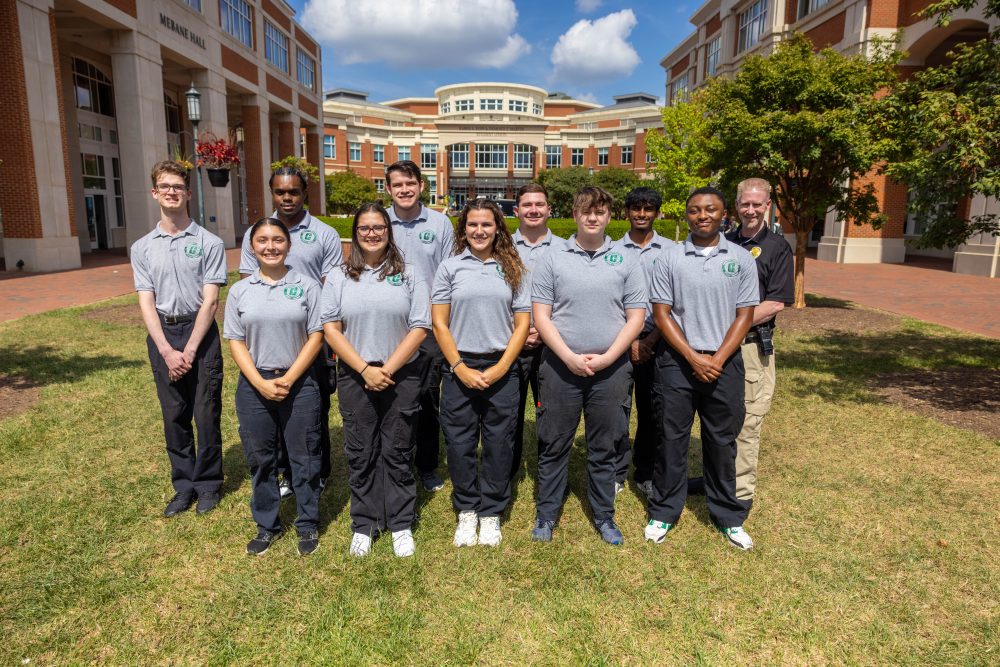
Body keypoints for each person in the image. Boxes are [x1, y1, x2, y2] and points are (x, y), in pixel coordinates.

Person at [530, 186, 647, 545]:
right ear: (575, 214)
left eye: (599, 211)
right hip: (560, 367)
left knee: (605, 445)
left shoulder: (627, 259)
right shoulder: (552, 256)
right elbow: (541, 315)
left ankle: (604, 515)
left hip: (610, 370)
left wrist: (610, 357)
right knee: (553, 442)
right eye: (585, 211)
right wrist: (567, 356)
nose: (592, 217)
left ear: (610, 216)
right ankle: (547, 514)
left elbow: (636, 317)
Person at [645, 187, 759, 550]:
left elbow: (745, 315)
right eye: (695, 210)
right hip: (677, 362)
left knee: (722, 440)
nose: (702, 215)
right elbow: (662, 314)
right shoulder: (669, 258)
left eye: (710, 209)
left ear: (724, 214)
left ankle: (728, 514)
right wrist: (693, 357)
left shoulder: (741, 258)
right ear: (687, 215)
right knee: (671, 439)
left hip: (724, 362)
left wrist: (718, 358)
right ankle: (664, 511)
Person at [322, 203, 430, 558]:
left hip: (402, 374)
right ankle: (365, 523)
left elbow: (420, 327)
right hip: (356, 375)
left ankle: (400, 522)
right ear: (355, 232)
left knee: (398, 449)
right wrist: (365, 369)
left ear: (389, 230)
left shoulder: (410, 274)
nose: (372, 233)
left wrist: (388, 369)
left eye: (379, 227)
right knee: (361, 450)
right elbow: (331, 329)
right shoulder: (338, 276)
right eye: (365, 228)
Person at [688, 179, 793, 527]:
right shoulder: (724, 241)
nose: (750, 210)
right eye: (745, 204)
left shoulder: (777, 248)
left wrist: (730, 325)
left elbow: (776, 301)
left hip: (748, 348)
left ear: (767, 205)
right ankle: (715, 480)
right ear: (736, 206)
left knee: (747, 423)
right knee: (718, 420)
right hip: (714, 347)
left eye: (757, 204)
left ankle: (740, 493)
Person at [432, 199, 530, 547]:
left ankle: (490, 512)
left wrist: (503, 366)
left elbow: (522, 325)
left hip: (502, 367)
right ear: (464, 229)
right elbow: (439, 324)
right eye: (472, 224)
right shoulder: (449, 268)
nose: (479, 231)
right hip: (459, 366)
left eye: (486, 225)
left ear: (497, 228)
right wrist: (459, 367)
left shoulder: (513, 267)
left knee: (498, 443)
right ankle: (467, 510)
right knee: (459, 443)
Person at [131, 160, 226, 518]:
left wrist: (187, 350)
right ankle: (183, 485)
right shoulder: (142, 248)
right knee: (174, 415)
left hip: (199, 334)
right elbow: (146, 301)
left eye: (178, 186)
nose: (172, 192)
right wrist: (166, 350)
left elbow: (212, 299)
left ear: (188, 193)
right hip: (162, 335)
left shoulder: (208, 242)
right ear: (155, 193)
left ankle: (208, 484)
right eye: (164, 186)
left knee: (205, 414)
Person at [239, 166, 342, 496]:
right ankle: (284, 472)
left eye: (294, 191)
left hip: (314, 335)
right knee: (273, 402)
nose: (287, 197)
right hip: (270, 338)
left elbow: (332, 287)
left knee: (314, 406)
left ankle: (318, 469)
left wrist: (329, 334)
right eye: (281, 192)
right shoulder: (257, 232)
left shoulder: (323, 234)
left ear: (304, 193)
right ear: (272, 193)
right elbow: (246, 286)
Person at [225, 218, 325, 556]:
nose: (271, 246)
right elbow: (235, 341)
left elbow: (317, 335)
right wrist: (259, 382)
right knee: (261, 459)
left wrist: (290, 377)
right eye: (263, 240)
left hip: (300, 382)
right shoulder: (240, 290)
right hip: (254, 384)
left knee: (304, 456)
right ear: (252, 247)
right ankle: (267, 525)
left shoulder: (308, 286)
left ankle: (308, 523)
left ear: (289, 245)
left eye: (278, 240)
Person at [384, 159, 455, 492]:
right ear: (389, 189)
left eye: (410, 183)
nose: (405, 190)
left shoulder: (440, 224)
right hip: (387, 323)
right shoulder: (379, 222)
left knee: (426, 397)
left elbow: (448, 274)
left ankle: (426, 465)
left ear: (421, 186)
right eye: (398, 185)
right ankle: (392, 458)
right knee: (390, 392)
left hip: (427, 327)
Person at [613, 187, 670, 498]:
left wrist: (649, 340)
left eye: (649, 208)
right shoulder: (612, 250)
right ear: (627, 212)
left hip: (658, 341)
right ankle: (616, 472)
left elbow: (676, 302)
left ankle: (645, 471)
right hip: (619, 342)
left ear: (657, 213)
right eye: (636, 208)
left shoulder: (671, 250)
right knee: (617, 410)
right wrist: (630, 341)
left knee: (651, 412)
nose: (642, 214)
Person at [510, 183, 565, 478]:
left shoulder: (566, 248)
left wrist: (544, 331)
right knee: (509, 413)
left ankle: (549, 474)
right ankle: (508, 470)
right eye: (527, 205)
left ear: (549, 210)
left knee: (551, 413)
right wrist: (517, 330)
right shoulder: (500, 245)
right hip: (510, 343)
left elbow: (570, 298)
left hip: (551, 345)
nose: (533, 210)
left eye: (539, 204)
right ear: (517, 210)